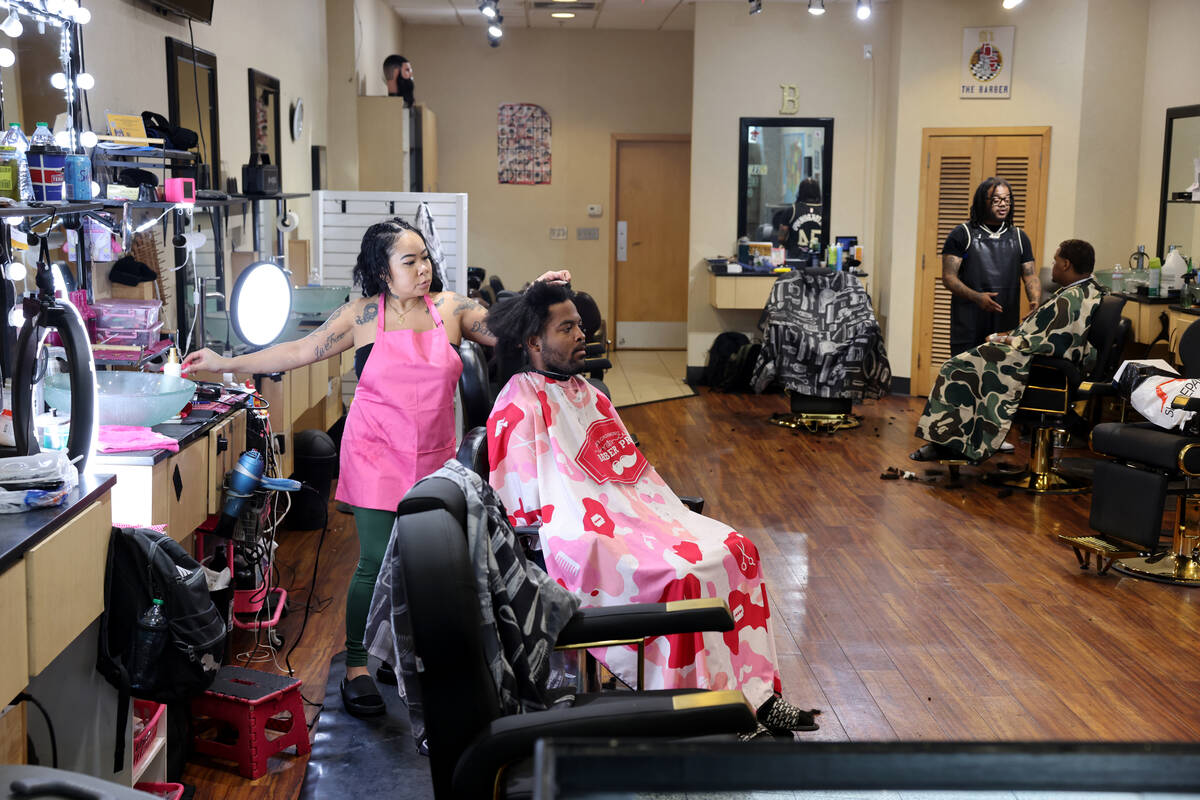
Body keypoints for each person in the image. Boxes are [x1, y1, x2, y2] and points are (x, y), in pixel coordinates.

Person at [182, 218, 569, 718]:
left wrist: (536, 294)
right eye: (409, 261)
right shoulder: (362, 315)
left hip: (434, 456)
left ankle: (401, 654)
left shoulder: (450, 309)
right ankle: (359, 667)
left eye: (424, 258)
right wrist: (224, 362)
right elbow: (299, 350)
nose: (422, 268)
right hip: (373, 454)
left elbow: (505, 328)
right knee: (374, 562)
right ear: (382, 272)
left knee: (423, 563)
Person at [484, 282, 820, 739]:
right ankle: (701, 713)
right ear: (533, 342)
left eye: (580, 325)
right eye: (567, 328)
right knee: (683, 578)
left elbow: (629, 473)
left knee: (739, 550)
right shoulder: (516, 406)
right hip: (584, 540)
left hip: (639, 518)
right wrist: (604, 529)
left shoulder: (591, 394)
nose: (582, 334)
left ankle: (757, 697)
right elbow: (523, 513)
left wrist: (651, 517)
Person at [910, 238, 1103, 464]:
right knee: (968, 364)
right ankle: (956, 443)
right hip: (1035, 358)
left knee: (956, 368)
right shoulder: (1082, 290)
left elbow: (1051, 343)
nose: (1053, 265)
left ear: (1066, 264)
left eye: (1056, 260)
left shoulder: (1073, 299)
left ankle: (949, 444)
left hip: (1043, 366)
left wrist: (1004, 338)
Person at [942, 177, 1041, 356]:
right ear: (982, 202)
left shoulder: (1019, 236)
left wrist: (1034, 299)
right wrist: (977, 297)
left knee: (1001, 377)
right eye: (996, 200)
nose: (1003, 204)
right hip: (969, 322)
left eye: (1007, 199)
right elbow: (949, 278)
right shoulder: (962, 234)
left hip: (1005, 322)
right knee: (966, 376)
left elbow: (1030, 275)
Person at [772, 177, 823, 260]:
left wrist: (790, 245)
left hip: (796, 259)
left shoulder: (792, 210)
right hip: (818, 259)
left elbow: (781, 238)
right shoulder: (824, 211)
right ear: (818, 192)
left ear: (800, 192)